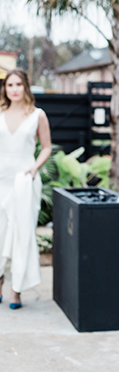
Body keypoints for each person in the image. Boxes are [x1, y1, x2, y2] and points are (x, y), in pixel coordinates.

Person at [0, 68, 52, 309]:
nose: (14, 89)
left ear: (25, 87)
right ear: (5, 89)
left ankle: (16, 290)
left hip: (24, 181)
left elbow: (46, 148)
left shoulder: (37, 115)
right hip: (1, 181)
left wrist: (34, 168)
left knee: (21, 234)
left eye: (18, 84)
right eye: (10, 85)